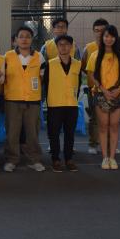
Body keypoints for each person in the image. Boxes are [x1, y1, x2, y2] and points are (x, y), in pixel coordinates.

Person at [86, 25, 120, 170]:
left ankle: (112, 158)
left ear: (115, 38)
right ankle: (105, 158)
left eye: (112, 36)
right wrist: (103, 90)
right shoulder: (95, 55)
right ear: (102, 37)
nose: (109, 39)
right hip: (101, 95)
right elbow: (92, 75)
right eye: (106, 36)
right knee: (103, 126)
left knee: (115, 126)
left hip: (118, 94)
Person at [2, 26, 46, 173]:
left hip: (33, 100)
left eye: (28, 36)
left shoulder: (39, 57)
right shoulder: (7, 57)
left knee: (32, 132)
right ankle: (11, 160)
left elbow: (43, 78)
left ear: (32, 39)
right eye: (21, 36)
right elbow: (2, 78)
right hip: (12, 100)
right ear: (15, 40)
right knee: (12, 132)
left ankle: (35, 160)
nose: (24, 39)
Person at [44, 35, 81, 172]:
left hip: (72, 104)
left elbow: (78, 84)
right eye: (60, 44)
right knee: (54, 133)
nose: (64, 47)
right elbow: (45, 84)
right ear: (57, 47)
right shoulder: (50, 64)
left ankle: (69, 159)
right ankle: (55, 159)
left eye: (66, 44)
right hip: (54, 104)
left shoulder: (77, 64)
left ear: (71, 46)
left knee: (70, 133)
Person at [81, 18, 109, 155]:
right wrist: (95, 80)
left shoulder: (114, 48)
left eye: (102, 30)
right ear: (93, 32)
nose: (99, 33)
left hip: (111, 90)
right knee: (95, 118)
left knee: (111, 119)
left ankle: (109, 145)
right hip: (94, 89)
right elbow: (83, 67)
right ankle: (93, 144)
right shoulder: (89, 48)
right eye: (97, 30)